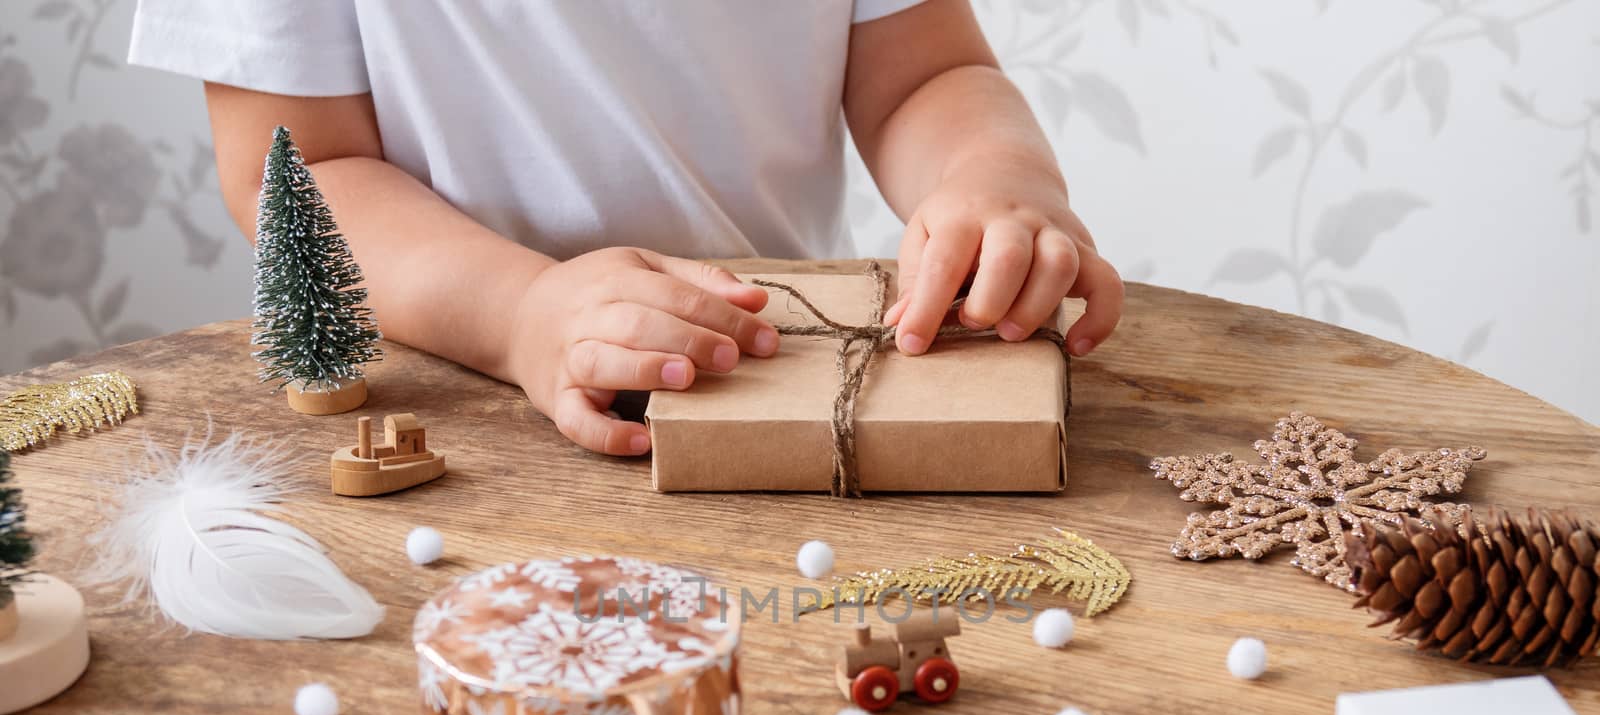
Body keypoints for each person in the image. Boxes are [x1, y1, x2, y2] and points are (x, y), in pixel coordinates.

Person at [129, 0, 1123, 456]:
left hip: (770, 384)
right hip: (453, 414)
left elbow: (922, 75)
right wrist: (522, 313)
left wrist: (993, 181)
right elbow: (299, 172)